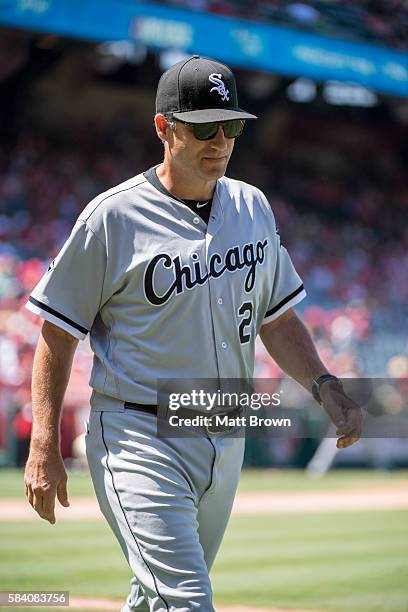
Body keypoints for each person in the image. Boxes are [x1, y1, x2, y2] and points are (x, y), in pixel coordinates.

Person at [24, 55, 362, 611]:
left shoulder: (252, 205)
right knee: (185, 599)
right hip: (139, 430)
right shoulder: (112, 217)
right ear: (164, 128)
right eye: (204, 127)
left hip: (225, 426)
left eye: (231, 127)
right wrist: (43, 442)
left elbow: (277, 316)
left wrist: (325, 384)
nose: (221, 141)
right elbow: (57, 332)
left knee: (154, 597)